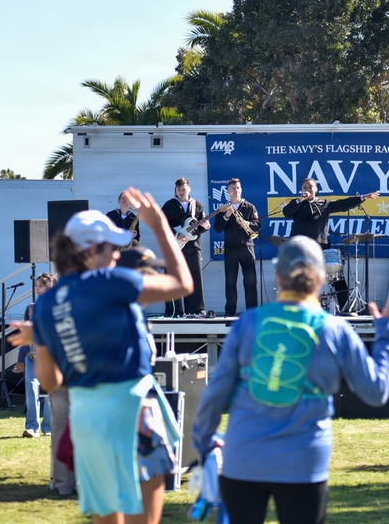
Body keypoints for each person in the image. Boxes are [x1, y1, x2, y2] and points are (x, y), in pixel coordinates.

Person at [191, 236, 389, 524]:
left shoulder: (249, 322)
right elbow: (376, 392)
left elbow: (216, 394)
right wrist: (387, 331)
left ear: (278, 277)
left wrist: (204, 443)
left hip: (243, 457)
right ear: (320, 279)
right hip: (304, 462)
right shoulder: (335, 329)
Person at [18, 190, 194, 524]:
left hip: (86, 417)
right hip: (133, 407)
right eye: (112, 247)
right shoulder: (109, 280)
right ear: (90, 251)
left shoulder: (45, 304)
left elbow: (50, 381)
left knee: (107, 515)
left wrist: (39, 339)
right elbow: (183, 284)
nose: (117, 254)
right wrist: (159, 228)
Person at [282, 178, 379, 248]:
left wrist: (363, 197)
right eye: (304, 187)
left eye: (310, 187)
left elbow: (343, 204)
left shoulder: (324, 204)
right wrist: (300, 200)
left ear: (316, 189)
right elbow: (286, 213)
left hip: (318, 244)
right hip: (299, 244)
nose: (307, 189)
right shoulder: (296, 203)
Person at [161, 177, 210, 316]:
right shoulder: (169, 205)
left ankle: (197, 309)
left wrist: (205, 226)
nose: (182, 191)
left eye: (184, 189)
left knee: (195, 277)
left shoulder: (198, 205)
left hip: (193, 246)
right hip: (174, 246)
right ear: (175, 191)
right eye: (179, 189)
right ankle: (174, 311)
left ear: (189, 189)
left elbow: (200, 228)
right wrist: (176, 235)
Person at [213, 178, 261, 316]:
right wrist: (226, 216)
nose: (236, 190)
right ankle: (230, 314)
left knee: (251, 282)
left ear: (241, 190)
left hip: (247, 247)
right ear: (228, 192)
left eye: (238, 188)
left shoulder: (249, 207)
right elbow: (217, 228)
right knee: (230, 282)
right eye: (233, 188)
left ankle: (252, 313)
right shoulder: (222, 209)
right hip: (231, 249)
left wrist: (247, 223)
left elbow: (258, 226)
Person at [20, 273, 55, 439]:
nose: (38, 289)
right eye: (36, 286)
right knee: (31, 389)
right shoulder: (31, 308)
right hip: (32, 356)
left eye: (41, 285)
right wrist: (20, 360)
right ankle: (32, 427)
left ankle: (48, 427)